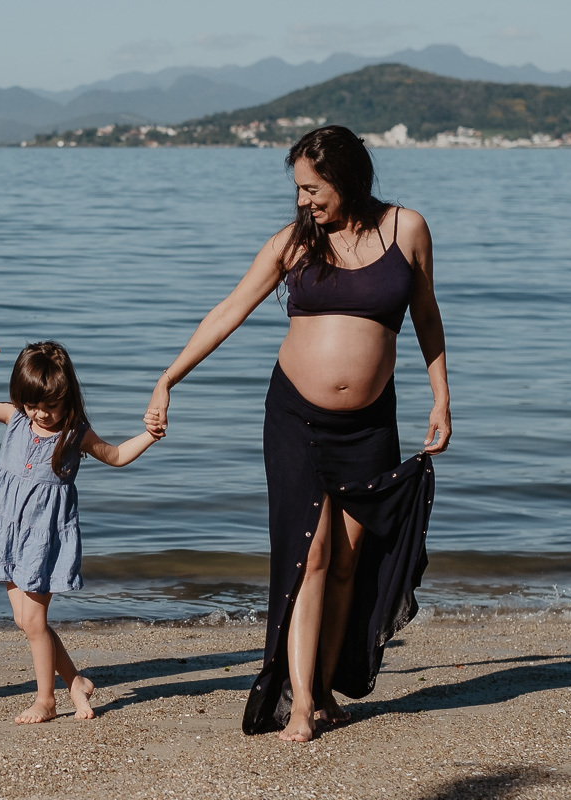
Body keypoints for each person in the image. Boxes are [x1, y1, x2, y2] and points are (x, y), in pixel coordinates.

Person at [145, 125, 450, 741]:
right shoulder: (293, 243)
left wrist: (441, 396)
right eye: (299, 190)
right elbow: (229, 310)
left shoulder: (407, 229)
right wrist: (168, 378)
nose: (304, 201)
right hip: (295, 419)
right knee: (310, 556)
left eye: (313, 189)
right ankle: (303, 702)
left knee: (347, 564)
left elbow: (426, 313)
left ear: (348, 179)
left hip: (370, 423)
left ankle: (327, 688)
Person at [0, 341, 163, 723]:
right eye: (33, 404)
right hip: (6, 529)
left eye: (50, 406)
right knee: (25, 621)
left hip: (43, 536)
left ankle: (46, 700)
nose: (41, 413)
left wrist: (149, 435)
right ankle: (75, 681)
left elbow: (116, 455)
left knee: (34, 622)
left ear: (67, 399)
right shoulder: (15, 417)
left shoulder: (75, 433)